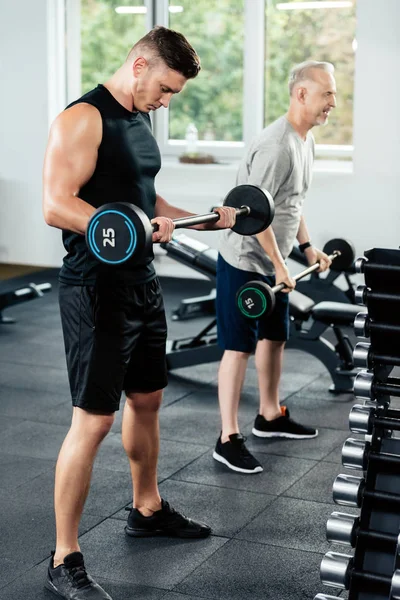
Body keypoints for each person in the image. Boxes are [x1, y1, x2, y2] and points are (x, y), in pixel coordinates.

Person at [42, 26, 236, 600]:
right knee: (93, 420)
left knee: (148, 398)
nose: (167, 100)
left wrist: (201, 216)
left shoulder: (140, 119)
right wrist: (124, 225)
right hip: (95, 288)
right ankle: (63, 556)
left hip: (142, 283)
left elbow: (145, 202)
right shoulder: (83, 118)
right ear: (140, 64)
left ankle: (146, 507)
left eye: (174, 93)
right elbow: (56, 204)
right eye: (166, 88)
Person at [213, 60, 337, 474]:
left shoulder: (306, 141)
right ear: (301, 93)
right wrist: (279, 264)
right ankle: (227, 437)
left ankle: (269, 415)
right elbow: (255, 214)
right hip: (246, 260)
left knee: (274, 336)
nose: (332, 103)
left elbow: (290, 204)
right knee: (238, 346)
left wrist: (306, 247)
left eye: (334, 94)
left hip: (275, 262)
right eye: (327, 94)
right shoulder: (276, 145)